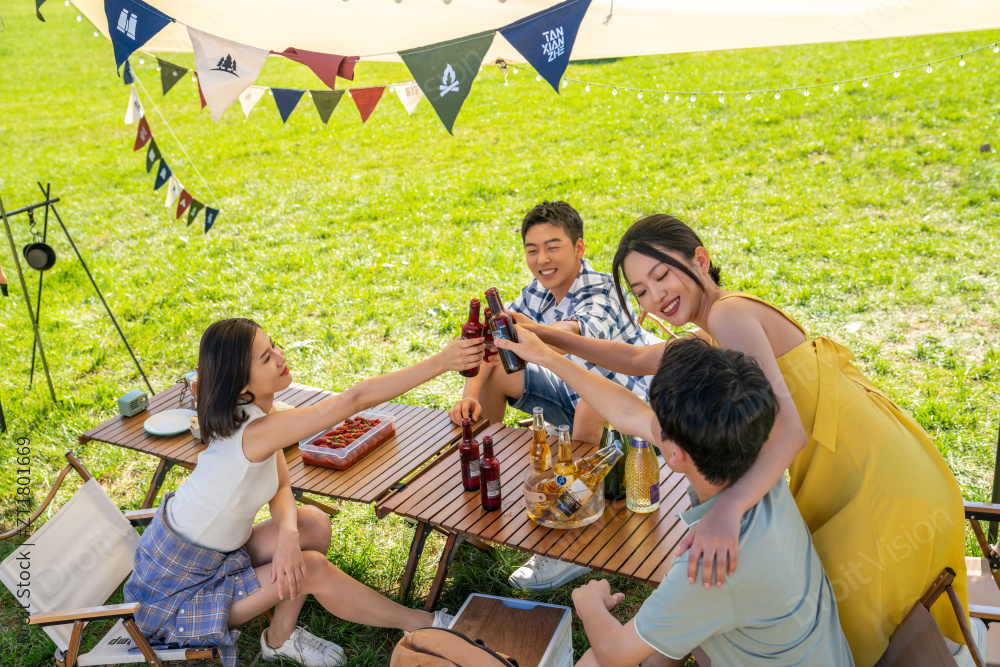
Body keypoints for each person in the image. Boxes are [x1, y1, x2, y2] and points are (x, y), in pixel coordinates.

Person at [514, 214, 971, 666]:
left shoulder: (727, 316)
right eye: (641, 291)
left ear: (700, 259)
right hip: (862, 458)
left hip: (870, 476)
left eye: (662, 275)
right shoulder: (713, 325)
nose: (656, 296)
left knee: (861, 617)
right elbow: (634, 359)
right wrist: (542, 338)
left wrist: (728, 510)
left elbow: (789, 431)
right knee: (825, 608)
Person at [124, 318, 484, 667]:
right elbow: (354, 400)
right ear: (241, 384)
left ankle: (278, 639)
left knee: (311, 523)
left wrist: (288, 535)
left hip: (215, 557)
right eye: (266, 358)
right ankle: (422, 623)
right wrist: (441, 362)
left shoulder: (252, 417)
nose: (281, 357)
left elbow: (281, 484)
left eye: (274, 346)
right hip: (176, 592)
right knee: (310, 567)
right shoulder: (255, 432)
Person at [496, 333, 853, 666]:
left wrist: (588, 602)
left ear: (674, 456)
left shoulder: (709, 568)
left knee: (593, 662)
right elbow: (627, 414)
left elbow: (615, 654)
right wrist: (545, 355)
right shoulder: (757, 462)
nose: (649, 421)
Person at [449, 200, 656, 591]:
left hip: (629, 422)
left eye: (552, 246)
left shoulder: (602, 290)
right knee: (498, 373)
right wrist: (469, 394)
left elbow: (576, 334)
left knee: (591, 401)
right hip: (571, 393)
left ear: (579, 248)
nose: (542, 259)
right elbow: (497, 341)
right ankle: (479, 498)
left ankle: (569, 543)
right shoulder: (537, 290)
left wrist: (531, 335)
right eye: (532, 249)